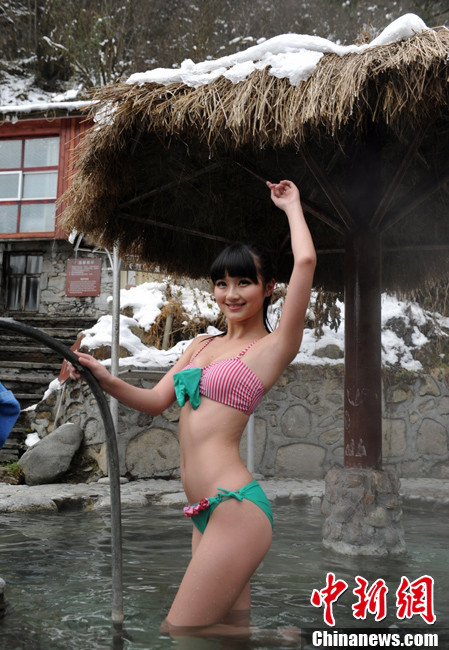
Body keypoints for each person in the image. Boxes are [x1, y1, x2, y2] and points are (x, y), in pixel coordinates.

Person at [69, 179, 316, 635]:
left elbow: (306, 260)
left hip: (235, 506)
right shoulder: (202, 344)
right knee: (228, 632)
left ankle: (279, 638)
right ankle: (256, 637)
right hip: (204, 509)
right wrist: (105, 379)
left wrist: (292, 206)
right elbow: (154, 401)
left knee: (179, 631)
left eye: (245, 282)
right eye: (222, 283)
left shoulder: (274, 346)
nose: (231, 293)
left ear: (269, 288)